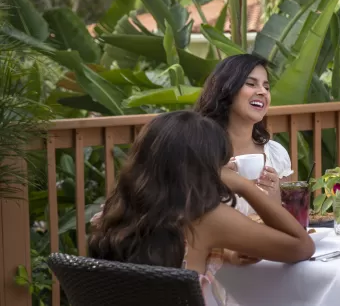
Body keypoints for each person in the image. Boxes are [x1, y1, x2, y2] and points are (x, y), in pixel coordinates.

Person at [88, 111, 315, 306]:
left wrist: (223, 254)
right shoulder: (206, 218)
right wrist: (244, 186)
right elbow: (302, 246)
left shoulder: (117, 210)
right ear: (204, 164)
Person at [195, 54, 294, 216]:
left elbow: (291, 223)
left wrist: (276, 197)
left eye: (267, 87)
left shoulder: (276, 154)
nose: (262, 92)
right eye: (251, 84)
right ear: (227, 88)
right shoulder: (199, 150)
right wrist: (213, 179)